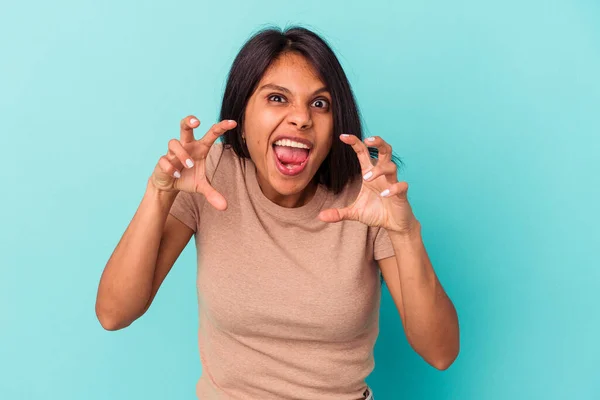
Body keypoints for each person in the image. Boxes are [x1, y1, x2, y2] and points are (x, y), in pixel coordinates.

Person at [95, 26, 460, 400]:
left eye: (320, 104)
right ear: (242, 111)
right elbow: (114, 313)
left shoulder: (365, 194)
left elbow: (441, 352)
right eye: (277, 98)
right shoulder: (212, 174)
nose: (301, 118)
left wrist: (405, 232)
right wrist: (161, 191)